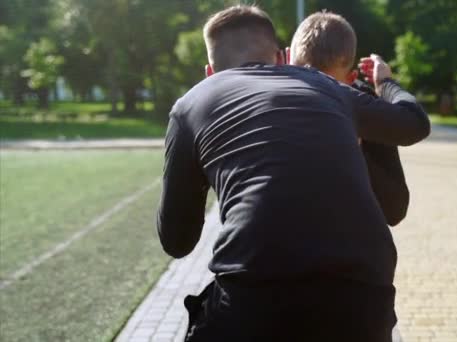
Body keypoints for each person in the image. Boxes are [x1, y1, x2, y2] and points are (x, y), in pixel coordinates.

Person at [157, 5, 430, 342]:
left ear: (210, 71)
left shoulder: (190, 104)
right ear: (282, 57)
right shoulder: (328, 88)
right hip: (363, 296)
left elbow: (177, 242)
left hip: (255, 298)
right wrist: (386, 83)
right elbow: (414, 124)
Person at [289, 11, 413, 226]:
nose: (314, 93)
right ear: (288, 70)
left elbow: (395, 210)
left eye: (327, 84)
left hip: (351, 246)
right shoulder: (275, 100)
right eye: (304, 80)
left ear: (350, 80)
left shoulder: (367, 110)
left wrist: (354, 150)